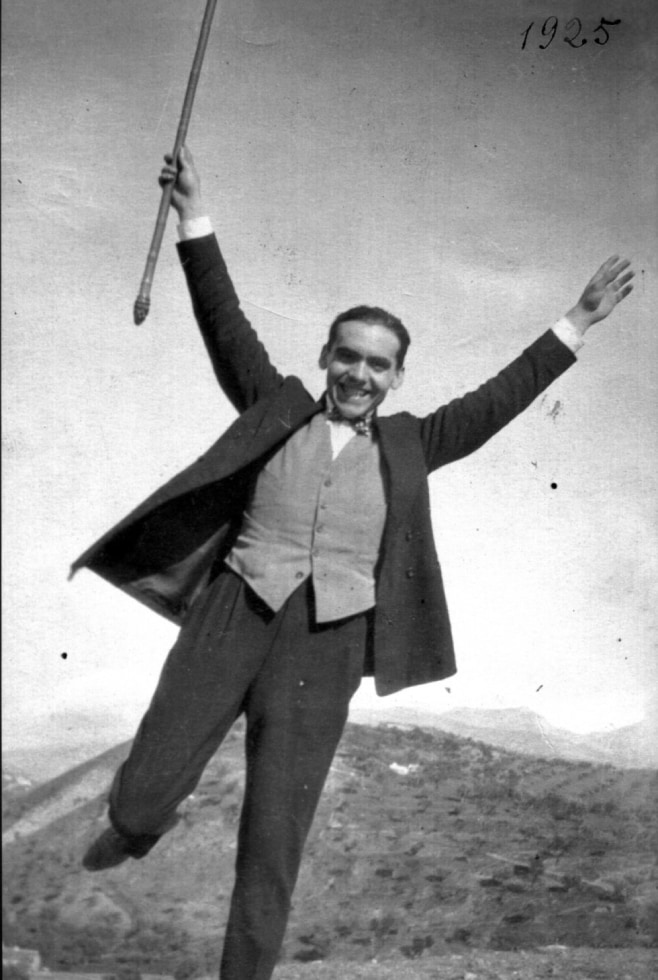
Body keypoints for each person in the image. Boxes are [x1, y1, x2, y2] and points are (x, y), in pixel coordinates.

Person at [75, 147, 633, 980]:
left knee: (276, 829)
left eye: (378, 363)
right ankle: (136, 824)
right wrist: (194, 215)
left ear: (397, 376)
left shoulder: (412, 444)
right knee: (150, 779)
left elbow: (497, 400)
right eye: (348, 356)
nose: (359, 373)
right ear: (326, 357)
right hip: (234, 608)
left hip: (328, 643)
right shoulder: (278, 408)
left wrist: (576, 321)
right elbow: (226, 324)